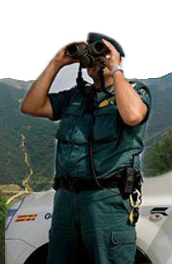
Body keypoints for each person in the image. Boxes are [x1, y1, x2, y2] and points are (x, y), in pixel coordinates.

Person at [20, 33, 150, 263]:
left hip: (106, 201)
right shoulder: (76, 97)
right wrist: (57, 63)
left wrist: (115, 68)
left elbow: (132, 116)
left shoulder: (135, 91)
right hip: (66, 199)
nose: (96, 61)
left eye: (102, 53)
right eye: (91, 56)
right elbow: (31, 106)